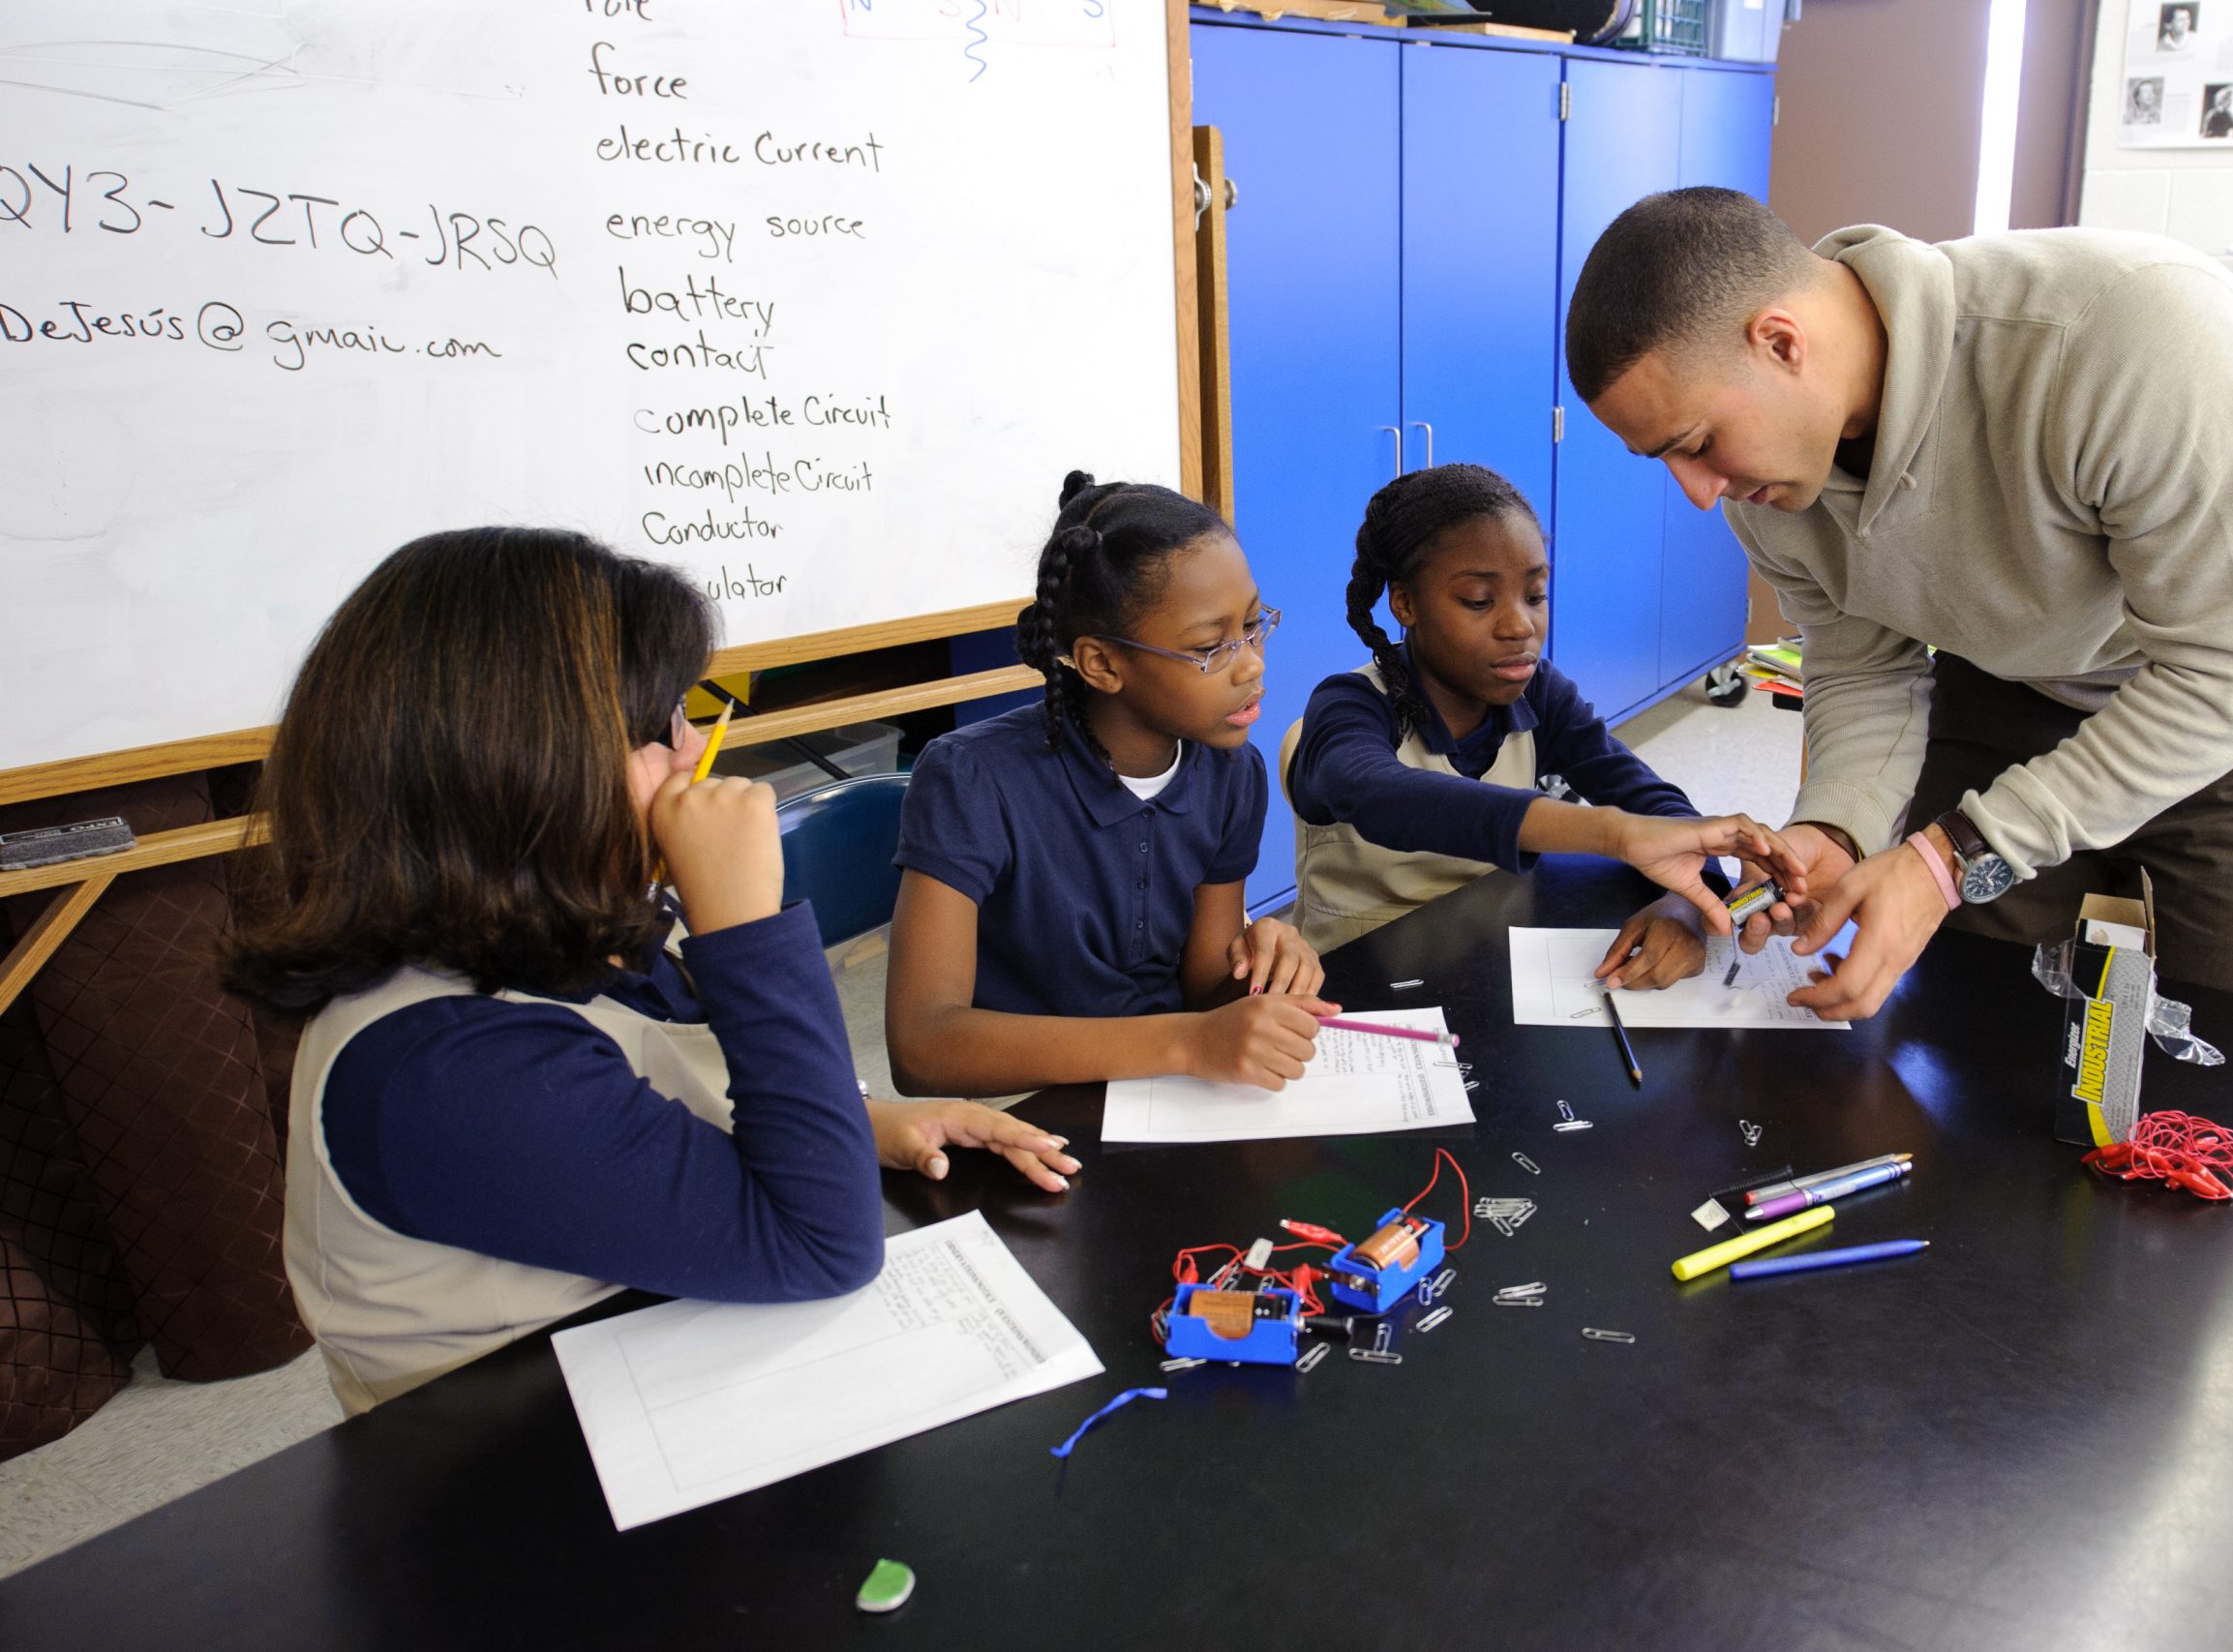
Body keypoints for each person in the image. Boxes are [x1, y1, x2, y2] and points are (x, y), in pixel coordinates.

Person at [225, 527, 1075, 1413]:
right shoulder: (442, 1070)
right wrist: (746, 923)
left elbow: (669, 1093)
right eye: (664, 725)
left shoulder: (576, 917)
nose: (695, 750)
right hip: (522, 1469)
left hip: (668, 1350)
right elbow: (824, 1247)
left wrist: (863, 1119)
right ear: (533, 766)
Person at [1562, 188, 2233, 1019]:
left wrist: (1951, 858)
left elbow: (2225, 673)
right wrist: (1838, 832)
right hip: (2011, 675)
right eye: (1666, 459)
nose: (1700, 494)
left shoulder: (2120, 334)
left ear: (1781, 342)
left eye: (1698, 445)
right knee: (1972, 1027)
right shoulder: (1766, 483)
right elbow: (1862, 670)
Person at [885, 472, 1333, 1098]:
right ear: (1101, 663)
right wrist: (1185, 1042)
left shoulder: (1232, 773)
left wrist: (1260, 967)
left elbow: (1205, 989)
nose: (1253, 662)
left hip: (1170, 1093)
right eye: (1211, 647)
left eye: (1255, 625)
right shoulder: (970, 780)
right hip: (1026, 1109)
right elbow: (923, 1046)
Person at [1282, 462, 1801, 984]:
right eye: (1479, 601)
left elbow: (1660, 811)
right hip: (1353, 990)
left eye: (1534, 595)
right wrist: (1613, 833)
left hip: (1488, 973)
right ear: (1406, 603)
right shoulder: (1349, 705)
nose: (1520, 625)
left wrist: (1686, 906)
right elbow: (1380, 795)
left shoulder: (1539, 696)